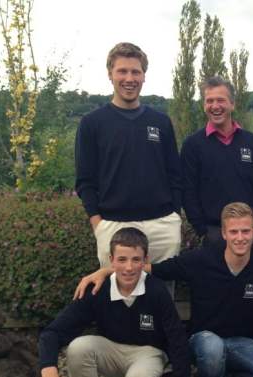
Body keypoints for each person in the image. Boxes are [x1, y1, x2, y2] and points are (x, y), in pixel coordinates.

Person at [75, 203, 253, 377]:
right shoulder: (200, 260)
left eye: (246, 231)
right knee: (212, 348)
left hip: (242, 342)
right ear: (223, 233)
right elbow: (152, 269)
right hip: (203, 341)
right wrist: (106, 271)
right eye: (233, 231)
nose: (240, 237)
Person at [39, 228, 191, 377]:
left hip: (148, 353)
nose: (129, 267)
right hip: (112, 352)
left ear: (145, 260)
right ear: (111, 260)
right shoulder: (97, 291)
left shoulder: (156, 290)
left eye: (136, 260)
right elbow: (53, 332)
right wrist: (48, 369)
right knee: (78, 348)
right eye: (122, 259)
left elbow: (176, 338)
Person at [75, 42, 182, 269]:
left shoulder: (161, 122)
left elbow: (175, 174)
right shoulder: (92, 123)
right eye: (122, 71)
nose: (129, 78)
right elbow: (85, 180)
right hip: (113, 227)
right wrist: (98, 224)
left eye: (136, 71)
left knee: (161, 297)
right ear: (110, 75)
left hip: (162, 225)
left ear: (144, 76)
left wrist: (174, 216)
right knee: (116, 298)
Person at [181, 76, 253, 252]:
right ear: (204, 105)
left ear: (232, 104)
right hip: (214, 233)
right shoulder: (192, 145)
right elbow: (188, 191)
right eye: (209, 101)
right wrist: (202, 230)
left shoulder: (251, 141)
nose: (215, 106)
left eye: (221, 100)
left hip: (252, 232)